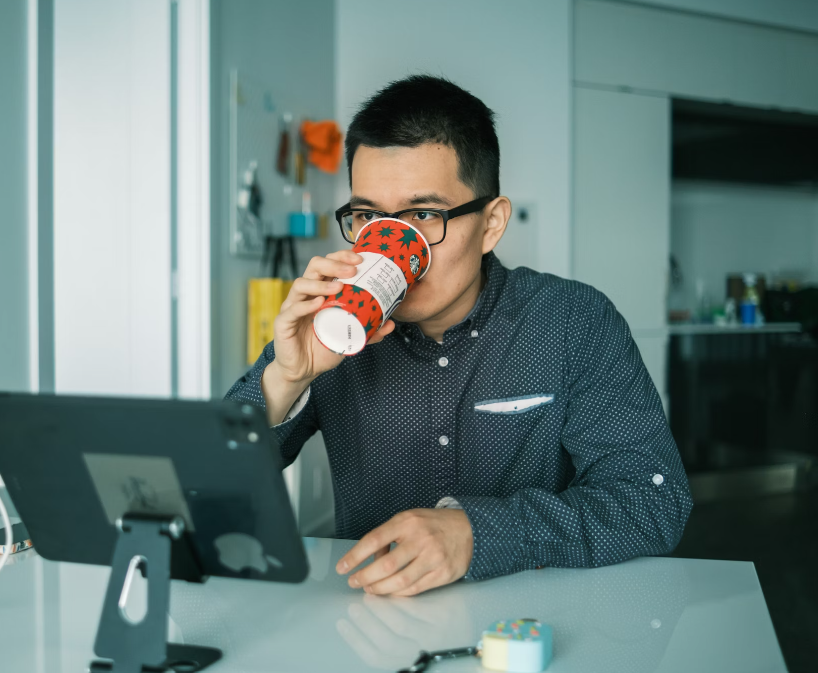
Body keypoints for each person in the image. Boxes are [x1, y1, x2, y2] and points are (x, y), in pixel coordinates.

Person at [225, 75, 692, 597]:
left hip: (533, 618)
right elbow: (208, 488)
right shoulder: (335, 326)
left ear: (491, 224)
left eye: (424, 214)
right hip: (371, 616)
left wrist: (480, 533)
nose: (390, 247)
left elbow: (655, 500)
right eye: (368, 216)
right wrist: (288, 377)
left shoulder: (572, 320)